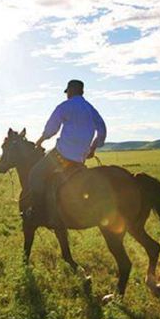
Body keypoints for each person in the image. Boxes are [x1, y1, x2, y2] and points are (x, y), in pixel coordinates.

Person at [27, 79, 107, 225]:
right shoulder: (91, 109)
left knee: (35, 174)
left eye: (67, 92)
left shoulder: (64, 106)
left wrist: (39, 142)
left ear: (69, 92)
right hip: (79, 159)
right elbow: (102, 130)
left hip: (61, 155)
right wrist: (93, 148)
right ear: (82, 92)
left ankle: (36, 212)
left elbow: (51, 129)